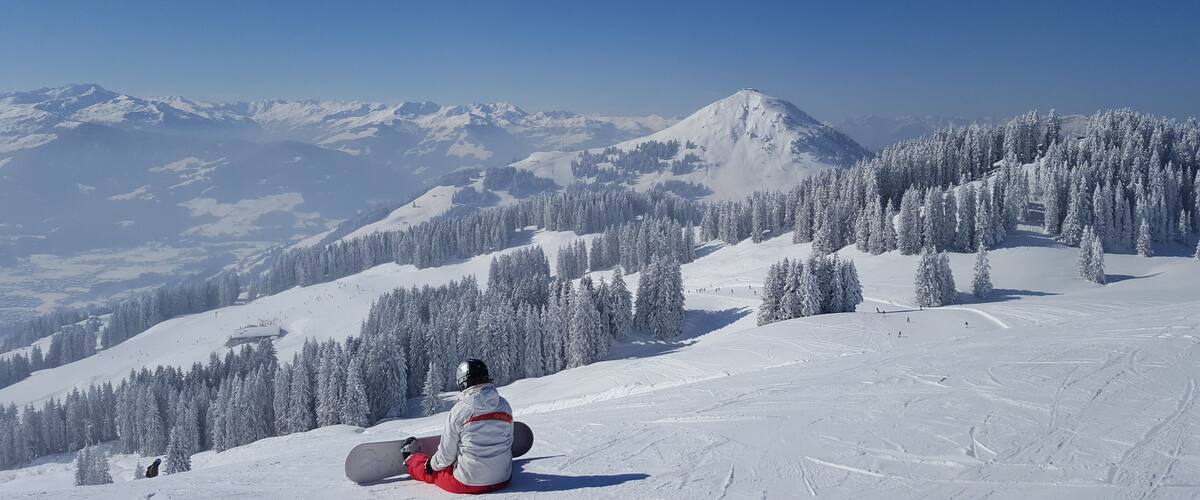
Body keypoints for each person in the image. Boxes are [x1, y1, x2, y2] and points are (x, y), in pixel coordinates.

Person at [402, 359, 513, 494]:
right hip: (503, 479)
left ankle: (411, 460)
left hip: (467, 482)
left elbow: (445, 458)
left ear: (463, 383)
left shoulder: (459, 411)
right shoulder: (504, 405)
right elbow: (509, 441)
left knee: (434, 473)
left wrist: (430, 465)